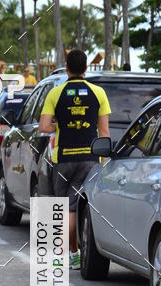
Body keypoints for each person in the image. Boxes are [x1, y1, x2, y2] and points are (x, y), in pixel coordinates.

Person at [39, 48, 111, 270]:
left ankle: (63, 255)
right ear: (86, 68)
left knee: (65, 208)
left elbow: (43, 126)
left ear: (67, 68)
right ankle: (73, 253)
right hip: (90, 158)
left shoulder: (56, 93)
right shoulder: (98, 93)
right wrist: (104, 161)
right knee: (75, 208)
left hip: (63, 158)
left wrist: (61, 125)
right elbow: (104, 132)